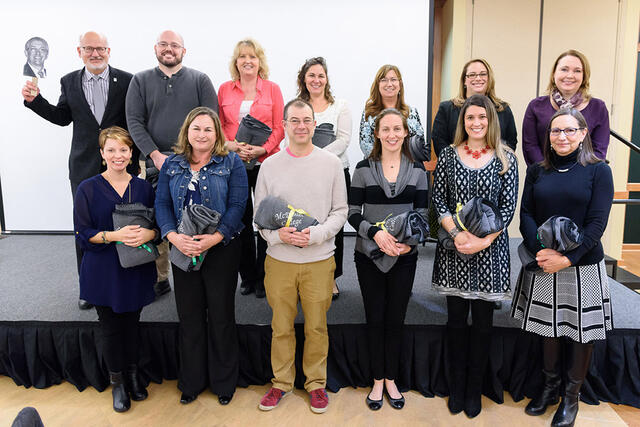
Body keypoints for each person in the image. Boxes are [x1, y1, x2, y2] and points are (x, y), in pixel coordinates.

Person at [512, 109, 613, 427]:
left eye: (570, 131)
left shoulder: (599, 171)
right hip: (544, 262)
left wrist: (567, 258)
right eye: (556, 132)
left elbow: (597, 223)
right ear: (549, 136)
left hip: (582, 265)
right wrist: (542, 251)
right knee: (548, 330)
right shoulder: (538, 170)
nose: (562, 137)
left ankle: (571, 399)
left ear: (583, 133)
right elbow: (526, 213)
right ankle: (550, 388)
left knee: (580, 334)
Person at [22, 31, 136, 310]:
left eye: (100, 49)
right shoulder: (69, 81)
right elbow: (62, 118)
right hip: (84, 166)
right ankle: (89, 288)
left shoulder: (128, 80)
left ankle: (127, 280)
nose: (95, 54)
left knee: (125, 224)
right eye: (89, 49)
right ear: (79, 51)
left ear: (109, 51)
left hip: (121, 165)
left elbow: (134, 120)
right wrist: (35, 101)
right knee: (85, 228)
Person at [255, 99, 347, 414]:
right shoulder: (269, 166)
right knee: (280, 326)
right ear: (285, 124)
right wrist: (276, 235)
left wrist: (317, 234)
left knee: (317, 327)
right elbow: (259, 218)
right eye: (294, 120)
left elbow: (340, 212)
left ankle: (316, 384)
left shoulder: (331, 164)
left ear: (314, 123)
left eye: (306, 120)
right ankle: (281, 383)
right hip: (279, 261)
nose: (301, 126)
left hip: (319, 260)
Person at [431, 94, 518, 418]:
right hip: (454, 252)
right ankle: (456, 386)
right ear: (463, 122)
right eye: (470, 118)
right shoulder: (450, 156)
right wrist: (457, 235)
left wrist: (481, 241)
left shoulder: (506, 158)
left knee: (482, 325)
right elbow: (439, 201)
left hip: (489, 254)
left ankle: (473, 390)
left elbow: (508, 210)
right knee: (455, 322)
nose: (476, 123)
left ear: (490, 120)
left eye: (482, 117)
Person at [155, 107, 247, 406]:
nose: (202, 134)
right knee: (190, 317)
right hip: (182, 247)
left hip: (220, 248)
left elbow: (238, 205)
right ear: (187, 132)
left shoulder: (231, 162)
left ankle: (224, 383)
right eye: (196, 128)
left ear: (217, 133)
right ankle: (192, 381)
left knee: (221, 316)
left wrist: (215, 237)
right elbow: (162, 204)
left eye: (208, 129)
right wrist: (172, 237)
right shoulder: (172, 164)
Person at [127, 30, 219, 297]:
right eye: (164, 44)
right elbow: (134, 121)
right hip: (153, 161)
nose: (169, 49)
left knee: (196, 215)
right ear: (155, 48)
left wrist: (191, 155)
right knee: (159, 216)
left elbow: (209, 119)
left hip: (194, 160)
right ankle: (160, 276)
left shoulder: (200, 80)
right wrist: (154, 154)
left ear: (183, 51)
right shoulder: (140, 81)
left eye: (175, 45)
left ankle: (199, 270)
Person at [349, 108, 428, 410]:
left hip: (404, 258)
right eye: (386, 129)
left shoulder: (418, 170)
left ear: (406, 132)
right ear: (377, 133)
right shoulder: (362, 167)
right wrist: (376, 235)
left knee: (395, 319)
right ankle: (377, 380)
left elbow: (422, 216)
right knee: (375, 318)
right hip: (368, 255)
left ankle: (391, 378)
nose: (392, 134)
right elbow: (353, 214)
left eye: (398, 129)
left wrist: (407, 245)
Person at [73, 126, 157, 413]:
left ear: (131, 153)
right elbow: (83, 233)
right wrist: (115, 235)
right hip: (103, 270)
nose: (117, 155)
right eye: (111, 149)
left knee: (133, 325)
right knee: (110, 328)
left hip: (136, 268)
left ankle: (134, 375)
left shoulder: (143, 187)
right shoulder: (87, 188)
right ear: (102, 154)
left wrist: (150, 235)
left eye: (123, 149)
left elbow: (155, 227)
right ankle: (118, 383)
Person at [218, 38, 284, 298]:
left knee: (266, 219)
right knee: (241, 220)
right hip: (234, 162)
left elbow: (280, 126)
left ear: (260, 61)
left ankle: (264, 275)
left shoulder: (272, 89)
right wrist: (233, 146)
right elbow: (219, 124)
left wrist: (262, 149)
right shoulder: (224, 89)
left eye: (253, 56)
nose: (248, 60)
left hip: (266, 163)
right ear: (236, 61)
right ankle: (247, 276)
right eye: (242, 56)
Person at [296, 56, 352, 300]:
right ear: (304, 79)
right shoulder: (297, 106)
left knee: (333, 227)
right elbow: (292, 136)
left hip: (335, 174)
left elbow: (343, 139)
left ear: (326, 79)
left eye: (321, 75)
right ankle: (304, 278)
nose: (316, 80)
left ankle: (331, 278)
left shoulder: (340, 105)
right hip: (303, 175)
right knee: (305, 224)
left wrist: (316, 155)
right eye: (311, 75)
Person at [522, 49, 610, 165]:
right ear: (554, 74)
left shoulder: (598, 108)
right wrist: (547, 172)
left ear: (584, 76)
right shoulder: (536, 106)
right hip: (543, 175)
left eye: (577, 71)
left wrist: (575, 175)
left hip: (583, 177)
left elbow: (599, 150)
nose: (570, 75)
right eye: (564, 69)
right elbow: (530, 146)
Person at [431, 58, 517, 156]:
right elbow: (439, 141)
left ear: (489, 79)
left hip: (495, 168)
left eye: (483, 74)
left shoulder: (503, 109)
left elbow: (511, 142)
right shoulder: (446, 109)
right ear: (464, 80)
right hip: (455, 168)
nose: (478, 78)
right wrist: (459, 163)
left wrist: (490, 163)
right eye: (472, 75)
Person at [359, 64, 426, 158]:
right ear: (378, 85)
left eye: (393, 80)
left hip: (408, 167)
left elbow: (419, 143)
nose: (389, 84)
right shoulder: (369, 112)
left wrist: (400, 164)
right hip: (376, 167)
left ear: (400, 84)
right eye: (384, 80)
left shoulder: (411, 112)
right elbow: (365, 144)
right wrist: (387, 163)